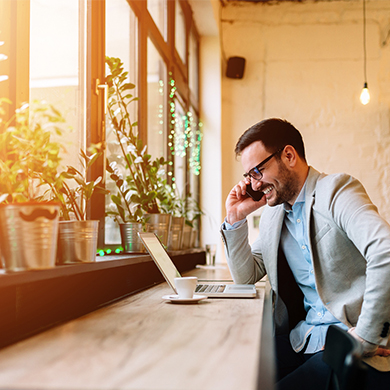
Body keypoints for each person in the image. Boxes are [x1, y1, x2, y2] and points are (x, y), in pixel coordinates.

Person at [220, 118, 390, 389]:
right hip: (306, 339)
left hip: (349, 343)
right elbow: (245, 276)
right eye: (248, 176)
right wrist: (234, 218)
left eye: (257, 171)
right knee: (234, 366)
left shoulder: (337, 191)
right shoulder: (273, 216)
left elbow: (386, 252)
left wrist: (368, 336)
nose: (253, 185)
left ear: (288, 155)